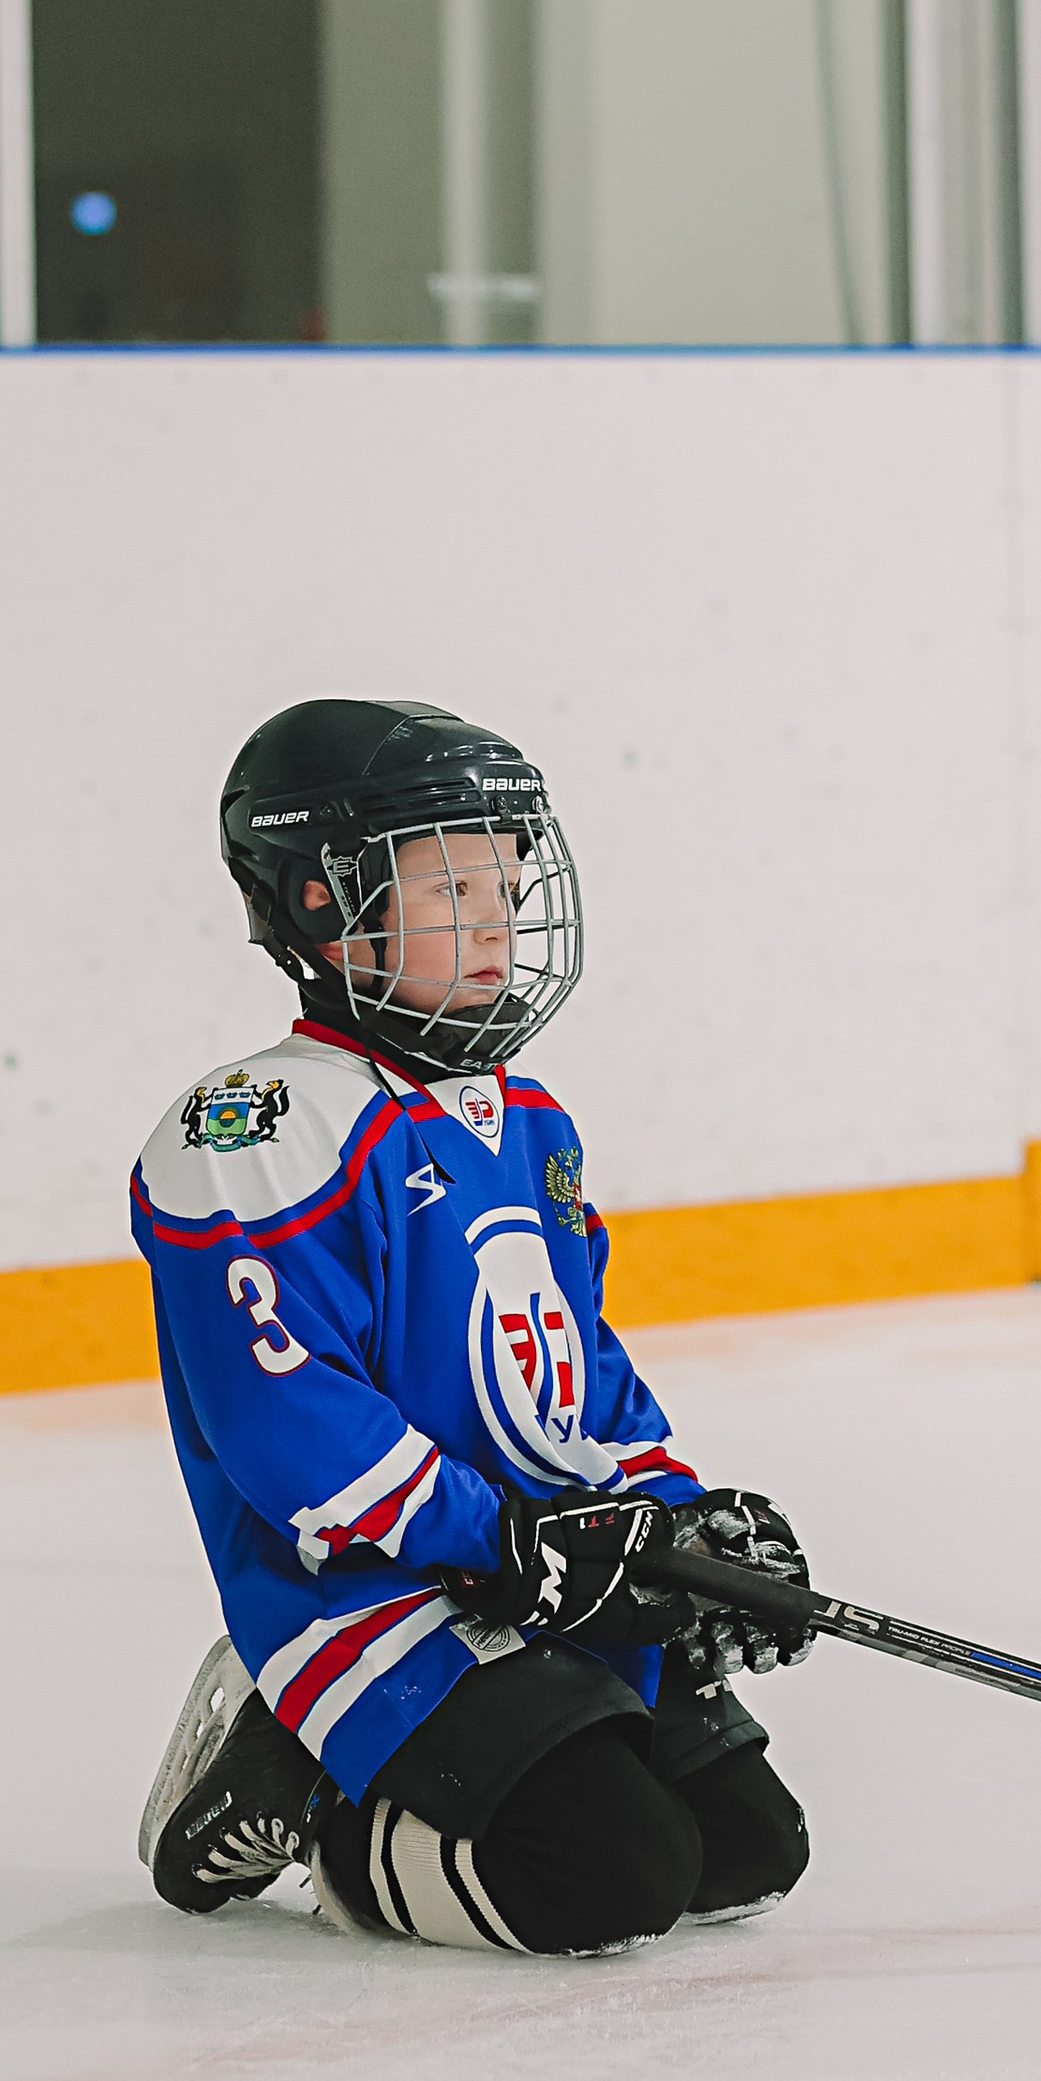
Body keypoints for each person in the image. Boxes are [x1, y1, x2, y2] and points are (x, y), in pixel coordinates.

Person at [131, 695, 812, 1956]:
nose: (497, 927)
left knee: (746, 1853)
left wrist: (675, 1514)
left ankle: (403, 1758)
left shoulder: (527, 1122)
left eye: (504, 888)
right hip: (371, 1597)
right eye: (450, 892)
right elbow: (287, 1425)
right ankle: (299, 1784)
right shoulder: (255, 1132)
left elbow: (576, 1376)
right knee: (607, 1882)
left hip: (537, 1567)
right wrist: (494, 1534)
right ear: (323, 907)